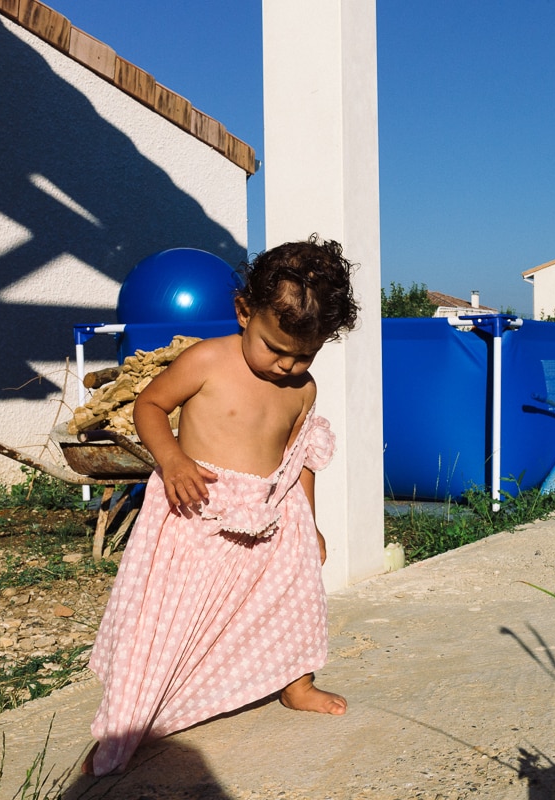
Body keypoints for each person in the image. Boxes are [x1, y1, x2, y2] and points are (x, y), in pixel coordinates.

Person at [85, 235, 360, 776]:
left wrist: (311, 524)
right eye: (275, 347)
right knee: (167, 617)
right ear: (243, 312)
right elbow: (150, 403)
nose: (286, 364)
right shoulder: (208, 359)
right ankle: (131, 712)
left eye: (303, 354)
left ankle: (295, 683)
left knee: (294, 601)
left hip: (272, 515)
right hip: (200, 510)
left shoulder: (304, 390)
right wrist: (171, 459)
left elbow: (296, 457)